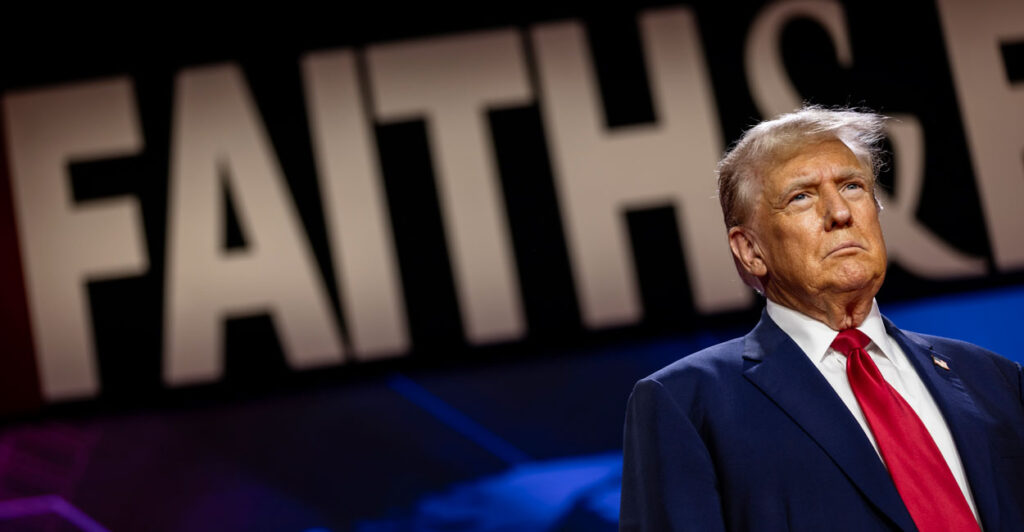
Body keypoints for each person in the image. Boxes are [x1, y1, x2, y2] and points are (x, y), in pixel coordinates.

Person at [619, 106, 1024, 531]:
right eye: (801, 196)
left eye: (852, 186)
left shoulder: (994, 380)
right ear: (750, 250)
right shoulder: (688, 404)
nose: (840, 213)